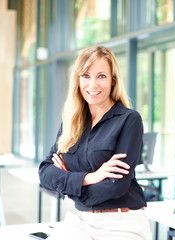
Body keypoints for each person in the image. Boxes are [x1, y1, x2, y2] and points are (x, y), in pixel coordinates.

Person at [39, 46, 152, 240]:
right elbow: (45, 173)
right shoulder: (72, 122)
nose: (93, 84)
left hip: (123, 222)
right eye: (86, 76)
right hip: (83, 221)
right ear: (78, 80)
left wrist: (68, 182)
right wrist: (90, 177)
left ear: (112, 80)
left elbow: (115, 186)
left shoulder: (129, 120)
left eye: (101, 76)